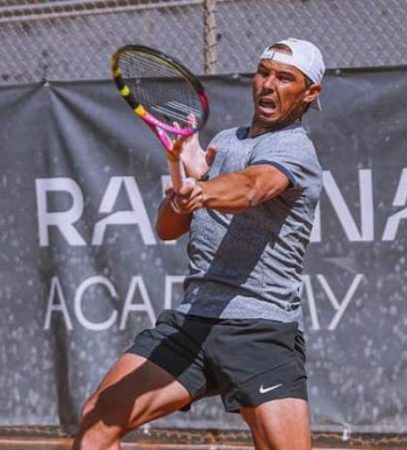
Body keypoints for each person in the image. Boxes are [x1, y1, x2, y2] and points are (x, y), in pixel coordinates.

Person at [74, 38, 324, 450]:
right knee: (97, 421)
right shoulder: (225, 142)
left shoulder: (294, 149)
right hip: (192, 323)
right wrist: (183, 183)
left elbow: (250, 188)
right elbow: (169, 228)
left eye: (284, 78)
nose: (268, 85)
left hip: (259, 328)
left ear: (310, 92)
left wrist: (204, 190)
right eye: (263, 73)